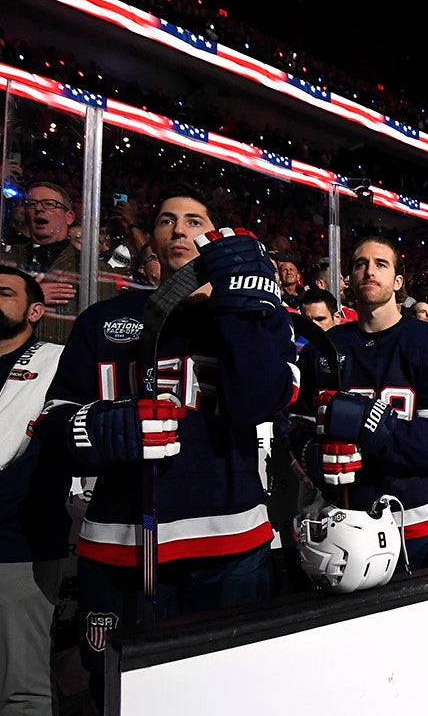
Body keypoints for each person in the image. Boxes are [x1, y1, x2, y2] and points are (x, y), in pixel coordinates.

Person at [33, 182, 297, 708]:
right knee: (122, 693)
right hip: (122, 545)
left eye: (195, 220)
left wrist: (242, 305)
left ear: (216, 236)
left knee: (226, 693)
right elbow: (54, 422)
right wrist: (98, 430)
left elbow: (262, 402)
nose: (179, 229)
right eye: (167, 220)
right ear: (150, 239)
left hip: (229, 545)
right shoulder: (102, 321)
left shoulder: (255, 315)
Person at [293, 234, 428, 569]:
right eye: (360, 264)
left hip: (421, 521)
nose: (369, 271)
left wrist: (375, 429)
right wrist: (310, 453)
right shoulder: (323, 348)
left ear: (397, 281)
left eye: (380, 264)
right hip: (345, 526)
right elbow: (298, 422)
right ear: (349, 280)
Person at [0, 265, 67, 715]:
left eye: (4, 293)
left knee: (22, 688)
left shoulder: (56, 361)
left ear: (35, 310)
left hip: (17, 539)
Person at [2, 182, 80, 344]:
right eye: (31, 204)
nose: (39, 209)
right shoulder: (6, 259)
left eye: (50, 204)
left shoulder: (87, 265)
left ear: (69, 217)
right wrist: (32, 296)